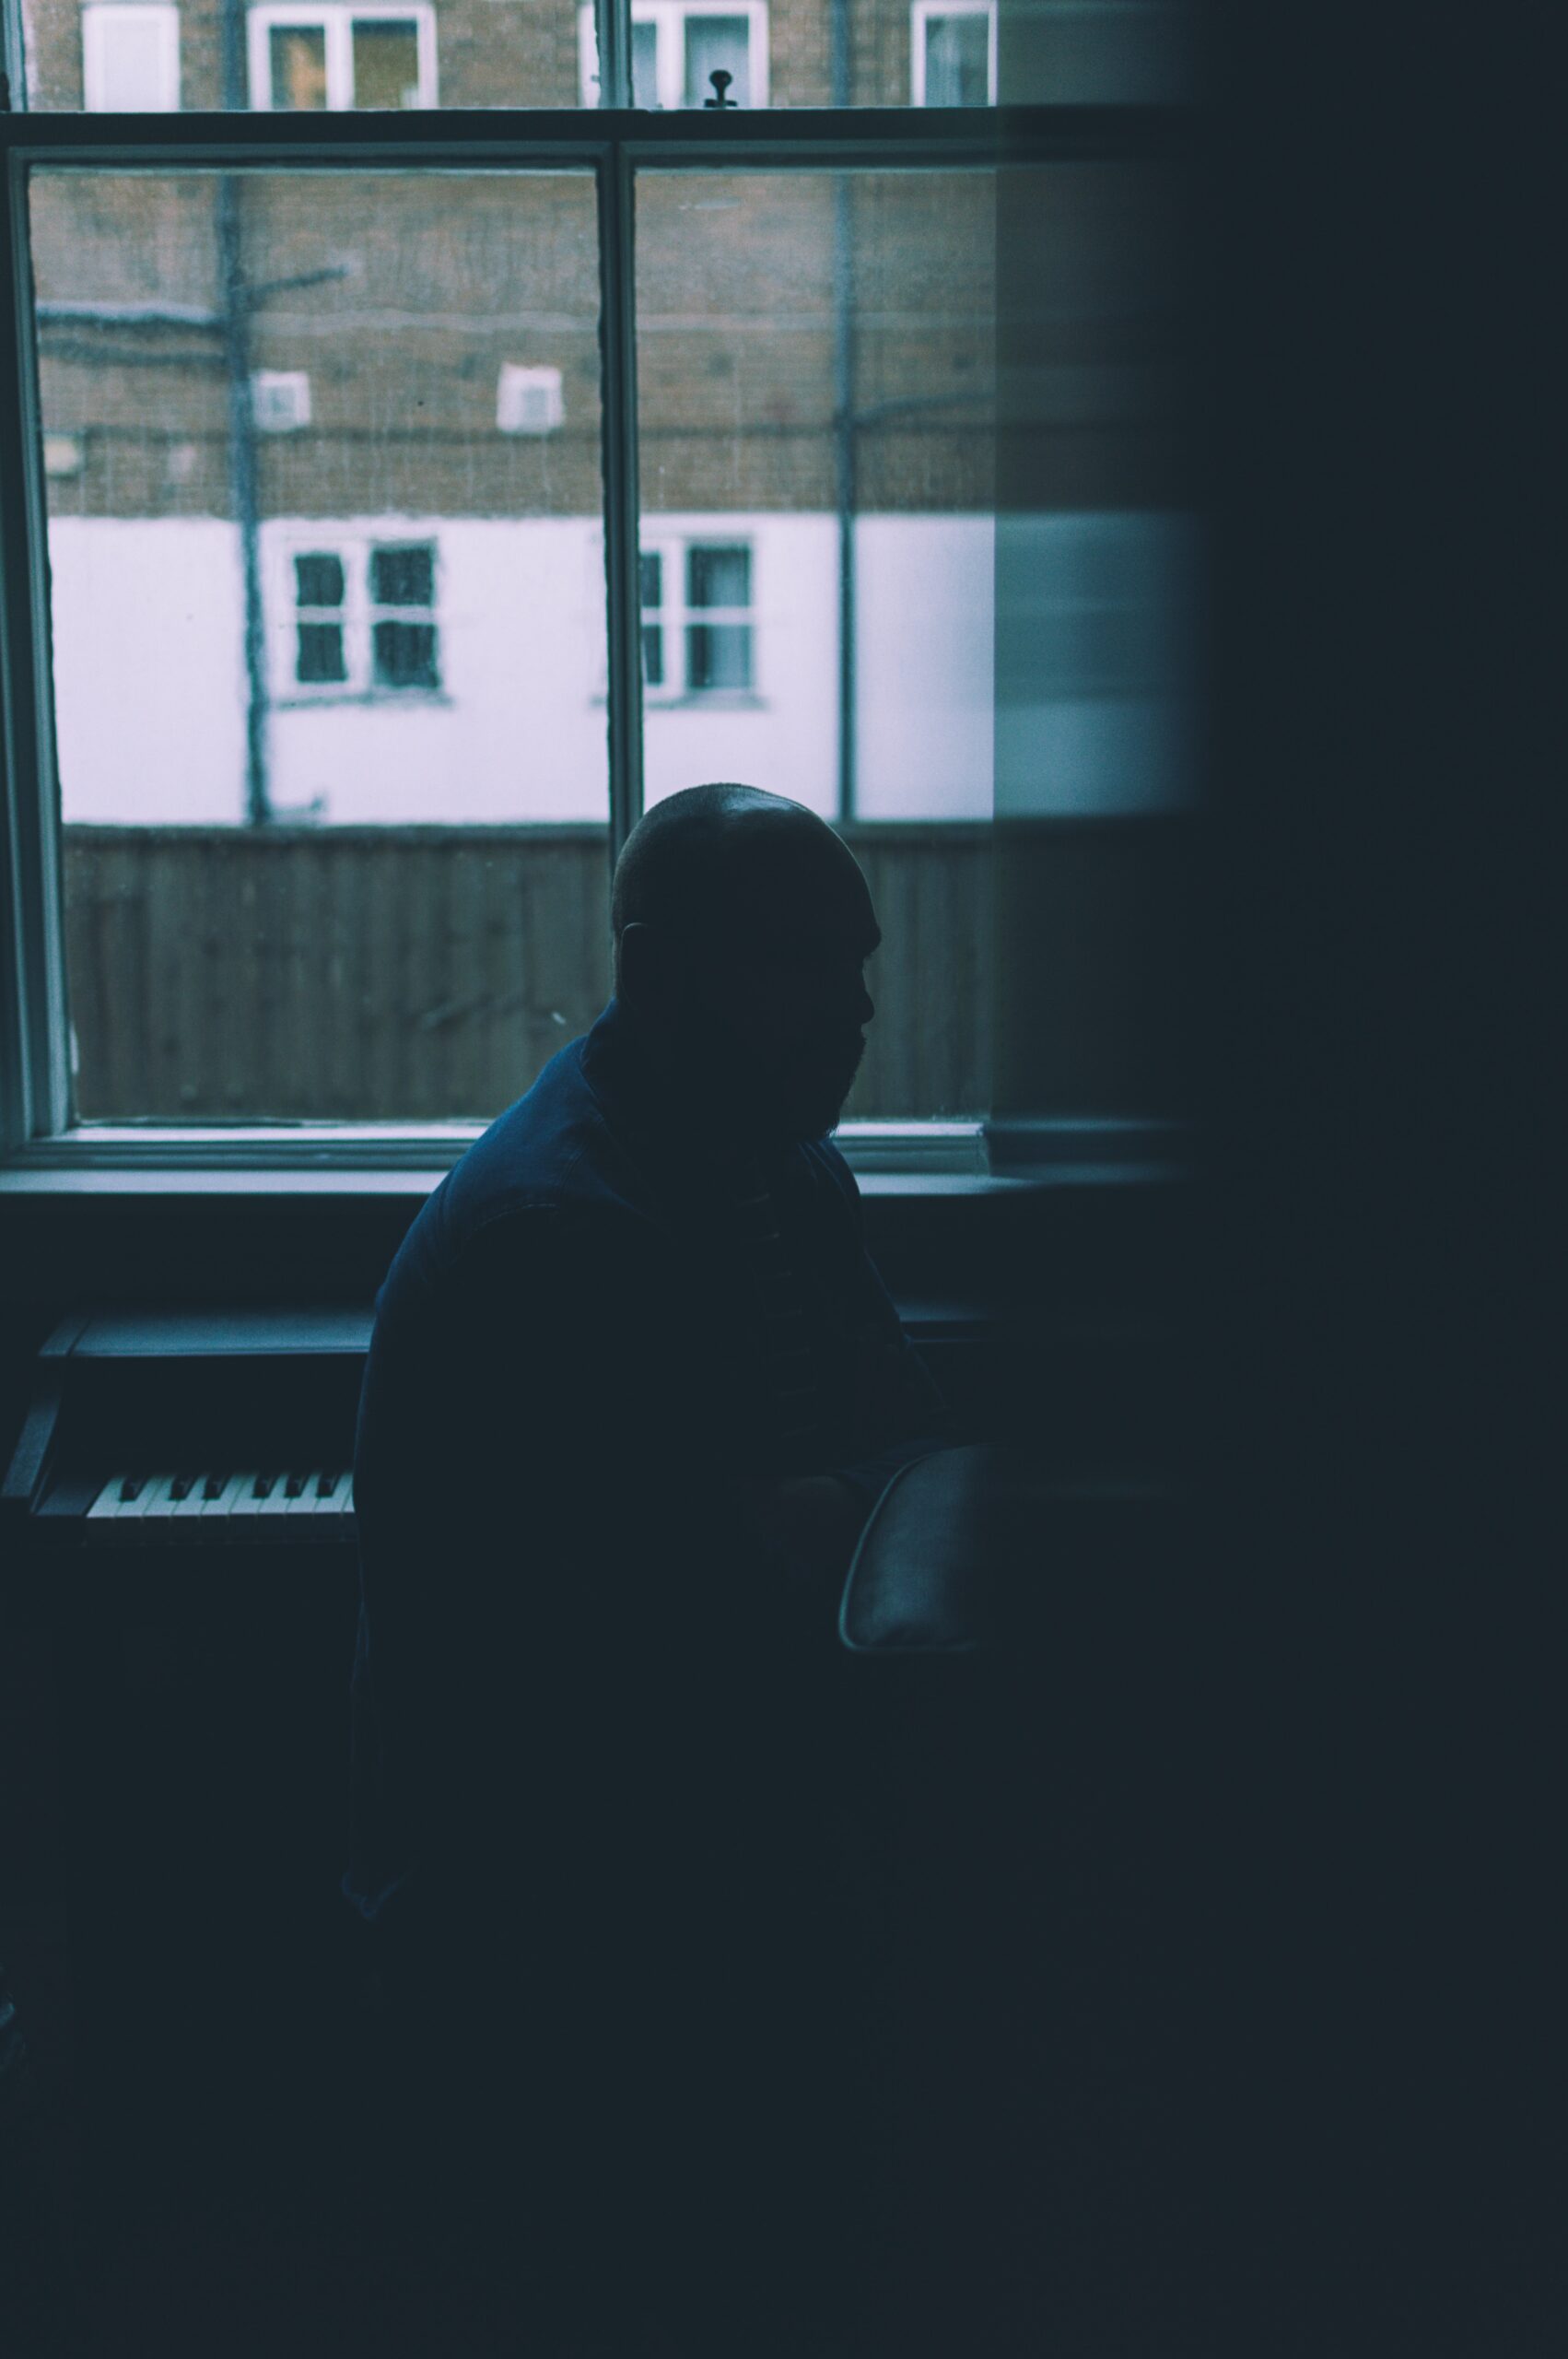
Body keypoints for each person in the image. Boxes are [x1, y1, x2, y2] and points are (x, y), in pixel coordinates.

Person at [342, 783, 945, 2348]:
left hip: (684, 1779)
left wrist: (842, 1501)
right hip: (553, 1862)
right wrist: (847, 1503)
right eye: (806, 967)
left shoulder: (777, 1158)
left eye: (861, 967)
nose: (857, 1014)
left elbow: (875, 1445)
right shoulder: (564, 1230)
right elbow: (743, 1577)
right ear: (663, 975)